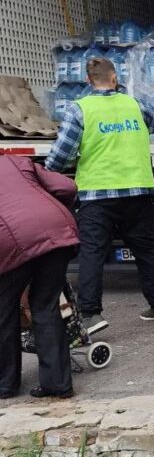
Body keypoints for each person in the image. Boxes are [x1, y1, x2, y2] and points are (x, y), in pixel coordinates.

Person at [45, 57, 154, 334]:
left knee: (93, 252)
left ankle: (92, 314)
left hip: (97, 194)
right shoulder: (134, 104)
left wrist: (49, 175)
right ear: (115, 78)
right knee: (145, 249)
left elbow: (60, 156)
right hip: (138, 189)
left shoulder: (80, 109)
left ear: (88, 81)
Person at [1, 155, 79, 399]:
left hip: (12, 241)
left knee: (3, 312)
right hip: (58, 230)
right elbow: (67, 186)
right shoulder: (15, 162)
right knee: (45, 306)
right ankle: (58, 384)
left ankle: (5, 384)